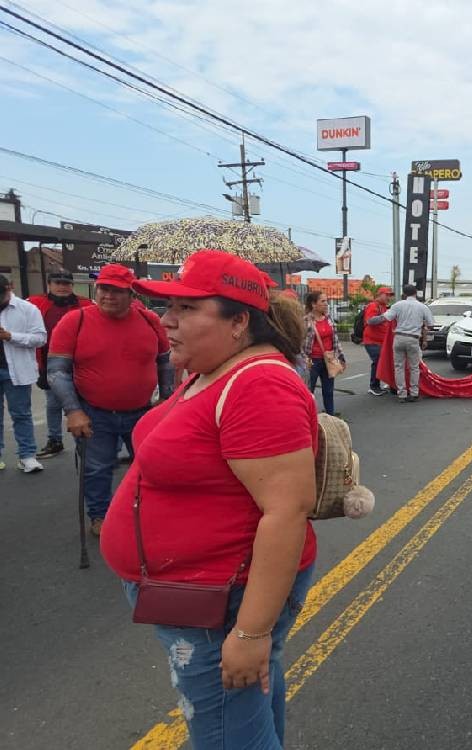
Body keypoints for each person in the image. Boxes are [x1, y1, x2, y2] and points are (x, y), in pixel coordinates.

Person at [99, 250, 317, 749]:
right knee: (244, 720)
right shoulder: (208, 369)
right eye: (165, 307)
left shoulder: (258, 383)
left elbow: (286, 510)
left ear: (239, 321)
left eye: (186, 310)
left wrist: (249, 634)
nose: (166, 321)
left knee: (226, 735)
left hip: (219, 601)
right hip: (203, 597)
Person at [48, 264, 173, 537]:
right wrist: (73, 411)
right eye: (104, 289)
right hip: (94, 412)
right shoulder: (75, 321)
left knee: (151, 466)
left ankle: (148, 511)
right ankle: (100, 516)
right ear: (96, 289)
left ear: (131, 294)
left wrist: (166, 397)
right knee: (96, 469)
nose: (109, 296)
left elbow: (165, 361)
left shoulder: (150, 320)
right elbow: (57, 371)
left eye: (117, 291)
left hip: (143, 411)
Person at [27, 270, 95, 459]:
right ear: (49, 284)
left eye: (66, 283)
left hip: (81, 363)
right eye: (58, 283)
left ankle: (86, 444)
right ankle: (54, 440)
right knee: (54, 404)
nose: (63, 287)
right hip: (49, 362)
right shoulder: (36, 304)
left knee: (85, 405)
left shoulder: (86, 304)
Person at [0, 274, 47, 473]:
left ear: (9, 288)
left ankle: (27, 456)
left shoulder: (27, 309)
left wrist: (11, 336)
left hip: (15, 370)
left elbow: (40, 338)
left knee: (21, 414)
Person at [367, 283, 434, 403]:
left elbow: (385, 318)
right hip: (413, 338)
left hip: (399, 338)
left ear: (404, 294)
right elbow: (430, 324)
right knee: (414, 367)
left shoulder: (397, 305)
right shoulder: (423, 307)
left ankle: (401, 394)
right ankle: (414, 393)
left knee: (399, 367)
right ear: (415, 294)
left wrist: (371, 321)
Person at [302, 291, 345, 415]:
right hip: (312, 361)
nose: (326, 304)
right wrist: (305, 359)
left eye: (326, 301)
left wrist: (341, 356)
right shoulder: (306, 321)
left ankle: (330, 417)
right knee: (309, 392)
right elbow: (300, 343)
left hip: (329, 360)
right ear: (313, 304)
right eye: (323, 301)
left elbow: (335, 339)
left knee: (328, 391)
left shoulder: (328, 319)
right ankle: (308, 417)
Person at [362, 286, 393, 396]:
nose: (389, 297)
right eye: (387, 295)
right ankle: (374, 386)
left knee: (384, 361)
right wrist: (385, 316)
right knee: (378, 361)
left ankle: (385, 383)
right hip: (372, 341)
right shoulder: (373, 305)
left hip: (381, 341)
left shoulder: (384, 307)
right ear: (380, 295)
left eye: (390, 295)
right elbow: (370, 321)